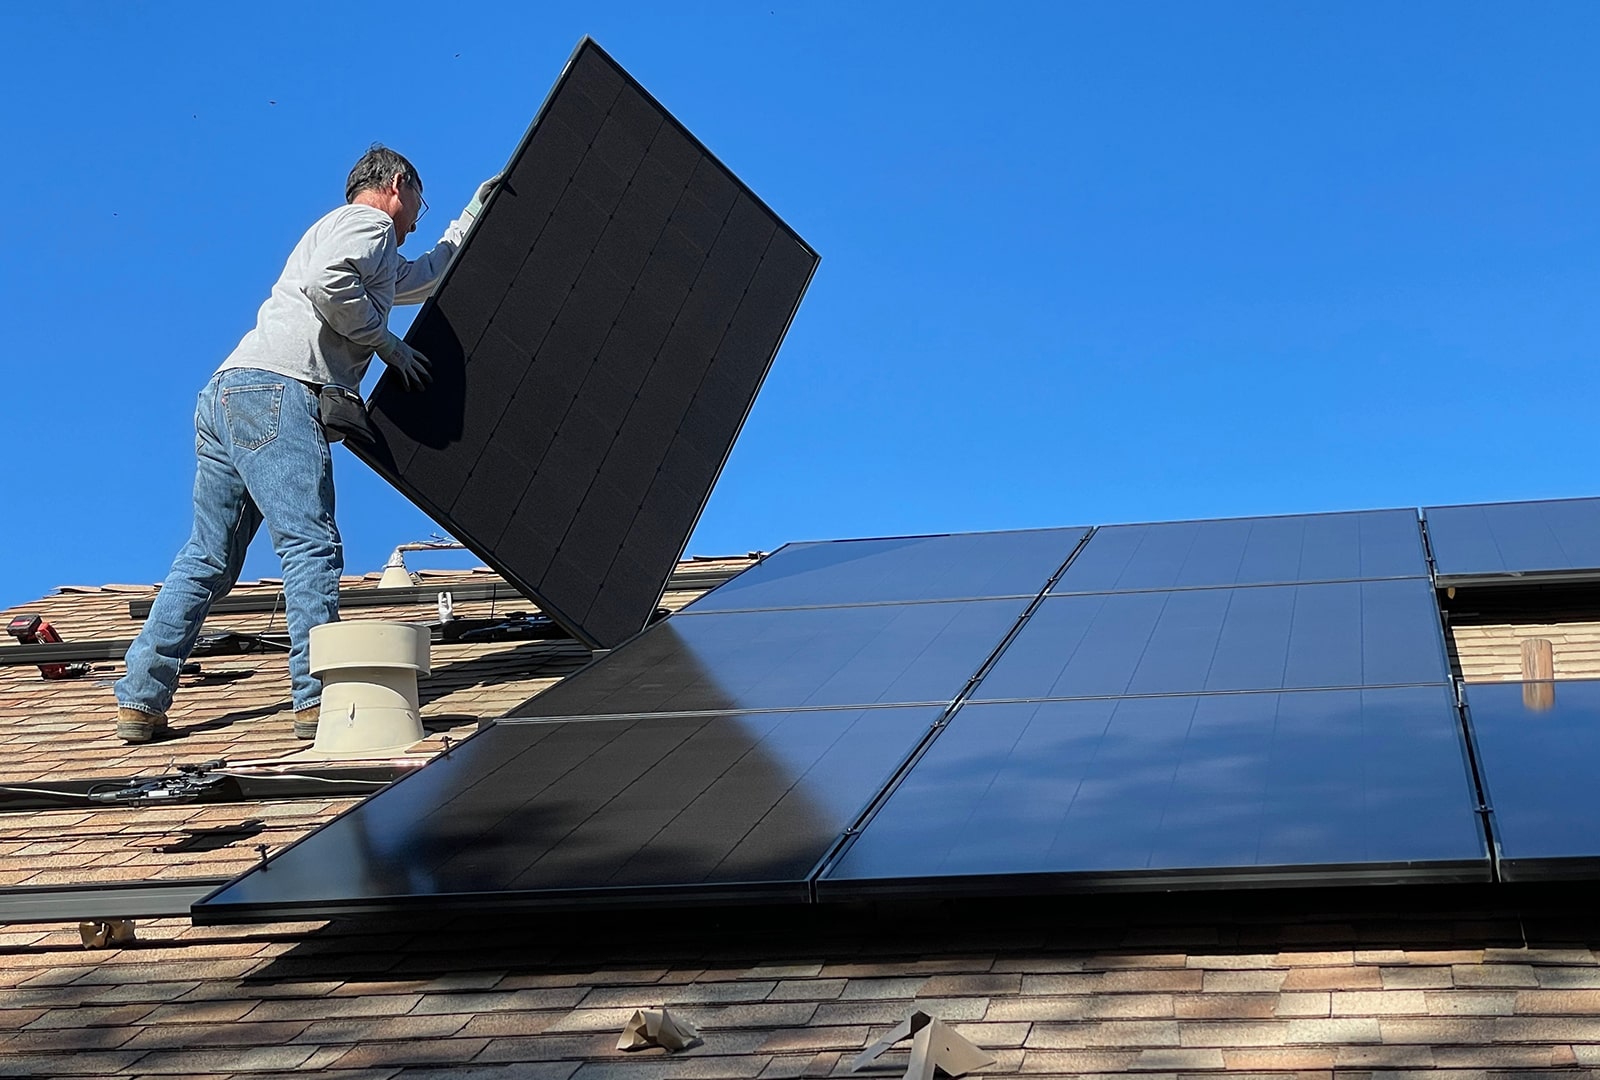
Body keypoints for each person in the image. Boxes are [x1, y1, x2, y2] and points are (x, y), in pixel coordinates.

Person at [113, 145, 497, 743]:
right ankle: (318, 698)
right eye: (421, 201)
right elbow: (328, 284)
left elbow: (421, 278)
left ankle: (141, 696)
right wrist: (386, 344)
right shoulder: (367, 224)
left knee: (207, 559)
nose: (419, 216)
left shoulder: (353, 237)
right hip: (279, 391)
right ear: (398, 184)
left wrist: (471, 216)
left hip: (227, 394)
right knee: (310, 543)